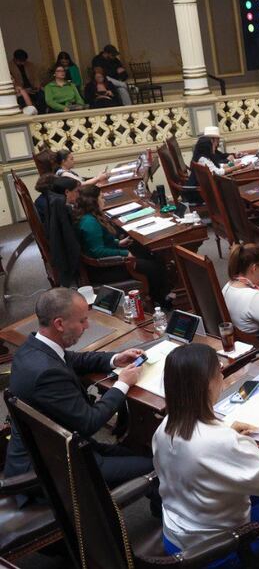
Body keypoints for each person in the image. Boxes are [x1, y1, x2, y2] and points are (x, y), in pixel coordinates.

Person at [153, 343, 259, 568]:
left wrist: (227, 430)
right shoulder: (221, 442)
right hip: (217, 551)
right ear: (207, 385)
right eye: (218, 371)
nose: (221, 375)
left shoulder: (165, 426)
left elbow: (198, 453)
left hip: (176, 536)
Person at [4, 288, 152, 493]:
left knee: (138, 452)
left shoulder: (33, 348)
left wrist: (115, 359)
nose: (87, 325)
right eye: (82, 321)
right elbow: (89, 422)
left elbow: (74, 359)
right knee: (158, 468)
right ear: (59, 324)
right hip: (51, 470)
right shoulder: (47, 374)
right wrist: (123, 383)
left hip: (58, 446)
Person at [74, 185, 172, 307]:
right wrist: (124, 253)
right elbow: (97, 251)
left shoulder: (90, 217)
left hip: (111, 258)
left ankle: (163, 293)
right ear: (93, 201)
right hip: (106, 269)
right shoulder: (89, 222)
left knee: (150, 254)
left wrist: (118, 243)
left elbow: (102, 241)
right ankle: (160, 300)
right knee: (154, 266)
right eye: (101, 198)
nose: (103, 200)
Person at [183, 126, 236, 203]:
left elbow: (217, 165)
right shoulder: (203, 159)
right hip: (199, 194)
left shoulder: (202, 156)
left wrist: (233, 164)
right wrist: (237, 167)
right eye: (215, 141)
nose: (217, 143)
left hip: (204, 189)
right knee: (230, 187)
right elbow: (217, 172)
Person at [46, 176, 82, 286]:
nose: (78, 195)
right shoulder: (63, 208)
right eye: (76, 191)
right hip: (75, 261)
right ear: (67, 192)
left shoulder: (53, 202)